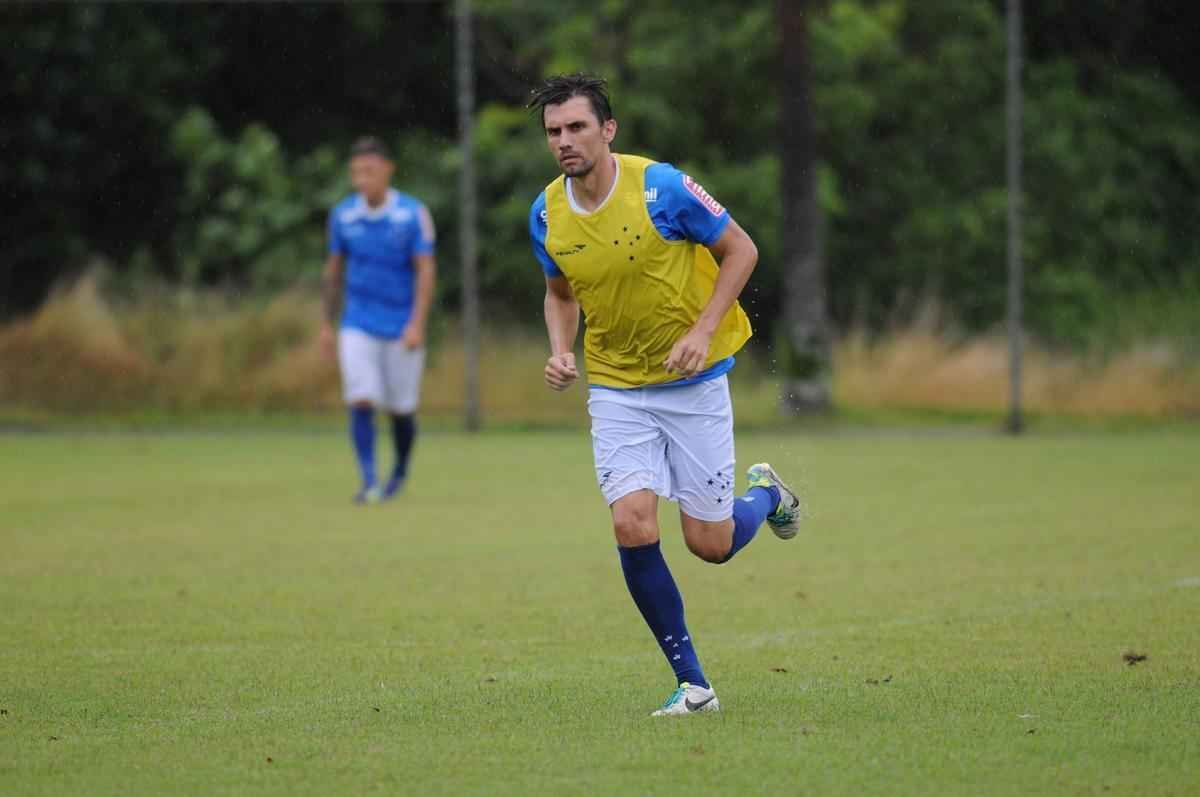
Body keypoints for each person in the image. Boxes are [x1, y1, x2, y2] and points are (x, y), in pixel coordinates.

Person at [527, 74, 803, 716]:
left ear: (608, 130)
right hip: (617, 388)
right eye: (553, 132)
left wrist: (704, 331)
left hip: (693, 384)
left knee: (710, 544)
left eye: (576, 128)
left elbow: (742, 250)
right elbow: (560, 292)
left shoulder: (663, 188)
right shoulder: (546, 211)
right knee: (631, 522)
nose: (564, 141)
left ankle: (767, 495)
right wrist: (561, 350)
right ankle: (693, 684)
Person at [321, 137, 436, 504]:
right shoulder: (343, 216)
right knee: (361, 398)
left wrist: (417, 322)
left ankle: (398, 472)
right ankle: (369, 481)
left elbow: (425, 270)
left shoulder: (412, 214)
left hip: (401, 324)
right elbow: (334, 271)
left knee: (401, 409)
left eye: (368, 171)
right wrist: (327, 324)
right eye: (356, 172)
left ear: (388, 170)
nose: (361, 179)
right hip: (356, 322)